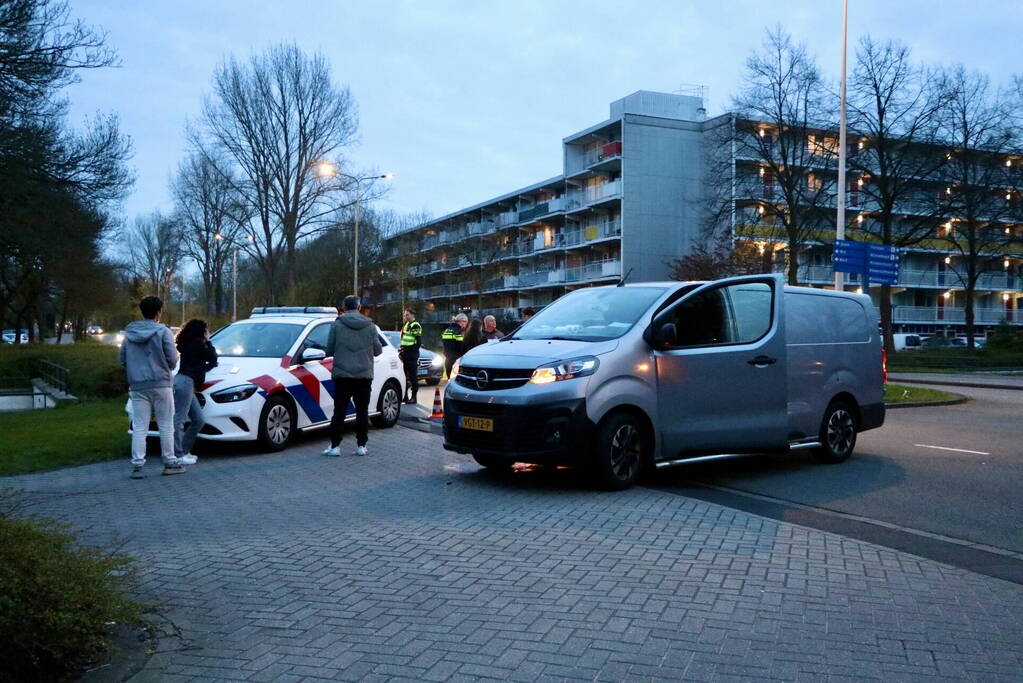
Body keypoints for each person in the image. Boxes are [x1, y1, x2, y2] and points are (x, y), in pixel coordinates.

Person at [119, 296, 183, 478]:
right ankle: (169, 462)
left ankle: (137, 466)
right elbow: (172, 358)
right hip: (161, 383)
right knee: (165, 424)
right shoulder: (163, 332)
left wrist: (134, 370)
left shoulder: (130, 334)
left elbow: (122, 358)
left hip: (138, 385)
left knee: (140, 426)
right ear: (158, 312)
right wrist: (166, 367)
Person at [323, 295, 382, 457]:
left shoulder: (337, 325)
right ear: (359, 307)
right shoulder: (370, 326)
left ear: (344, 307)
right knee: (362, 411)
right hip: (364, 375)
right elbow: (378, 350)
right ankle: (361, 446)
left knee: (339, 411)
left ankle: (335, 447)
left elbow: (329, 349)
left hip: (342, 375)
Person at [173, 319, 218, 465]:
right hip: (186, 382)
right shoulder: (198, 343)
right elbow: (212, 356)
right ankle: (178, 454)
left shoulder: (186, 343)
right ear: (201, 331)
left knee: (198, 419)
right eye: (206, 330)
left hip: (185, 381)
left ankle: (184, 451)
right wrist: (208, 341)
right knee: (180, 419)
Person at [398, 308, 422, 405]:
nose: (405, 316)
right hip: (405, 353)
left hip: (411, 354)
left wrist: (409, 350)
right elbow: (404, 339)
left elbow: (418, 343)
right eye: (404, 315)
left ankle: (414, 396)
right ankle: (405, 396)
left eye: (407, 315)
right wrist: (402, 349)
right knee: (404, 376)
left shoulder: (415, 325)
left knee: (413, 376)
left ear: (412, 315)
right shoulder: (406, 324)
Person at [441, 312, 468, 379]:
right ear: (462, 321)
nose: (466, 325)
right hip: (456, 362)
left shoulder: (446, 330)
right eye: (466, 322)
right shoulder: (458, 332)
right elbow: (460, 347)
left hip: (447, 361)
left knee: (449, 381)